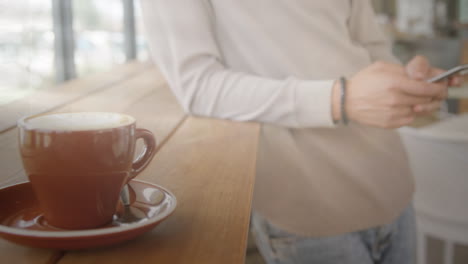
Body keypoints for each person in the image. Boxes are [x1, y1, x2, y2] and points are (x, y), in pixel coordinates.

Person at [140, 1, 458, 263]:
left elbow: (372, 48)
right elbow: (198, 87)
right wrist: (340, 99)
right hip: (308, 205)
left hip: (392, 184)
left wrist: (408, 80)